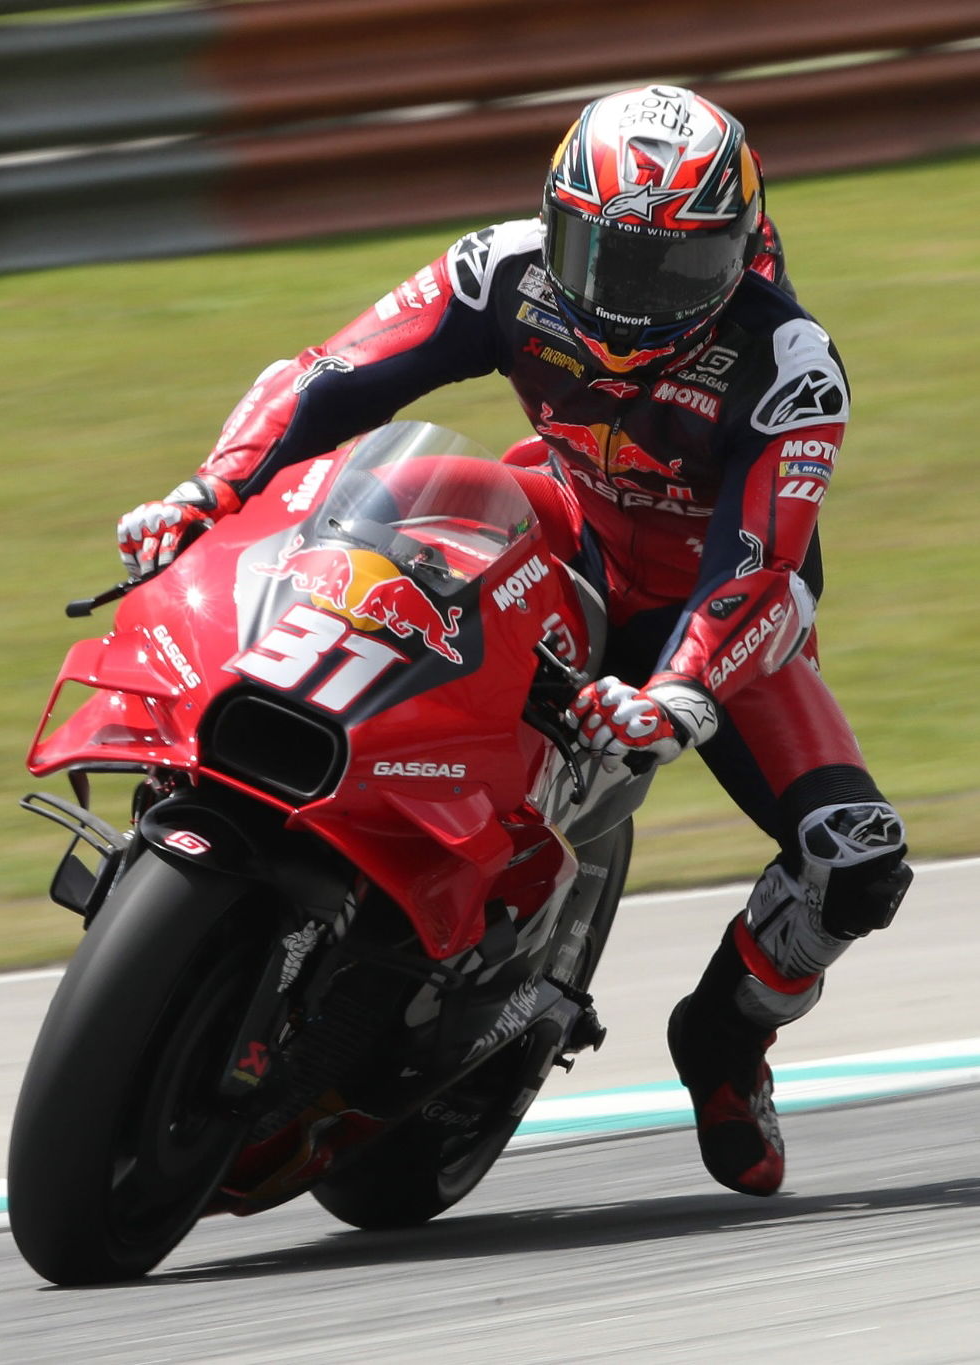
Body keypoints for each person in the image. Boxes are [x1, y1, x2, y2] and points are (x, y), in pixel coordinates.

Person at [116, 85, 912, 1197]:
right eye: (605, 256)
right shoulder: (503, 268)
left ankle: (724, 1045)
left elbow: (761, 570)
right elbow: (330, 377)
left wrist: (680, 687)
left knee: (856, 860)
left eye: (672, 270)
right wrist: (209, 488)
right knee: (367, 518)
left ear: (744, 249)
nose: (630, 300)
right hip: (559, 531)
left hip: (707, 620)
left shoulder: (788, 363)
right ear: (556, 217)